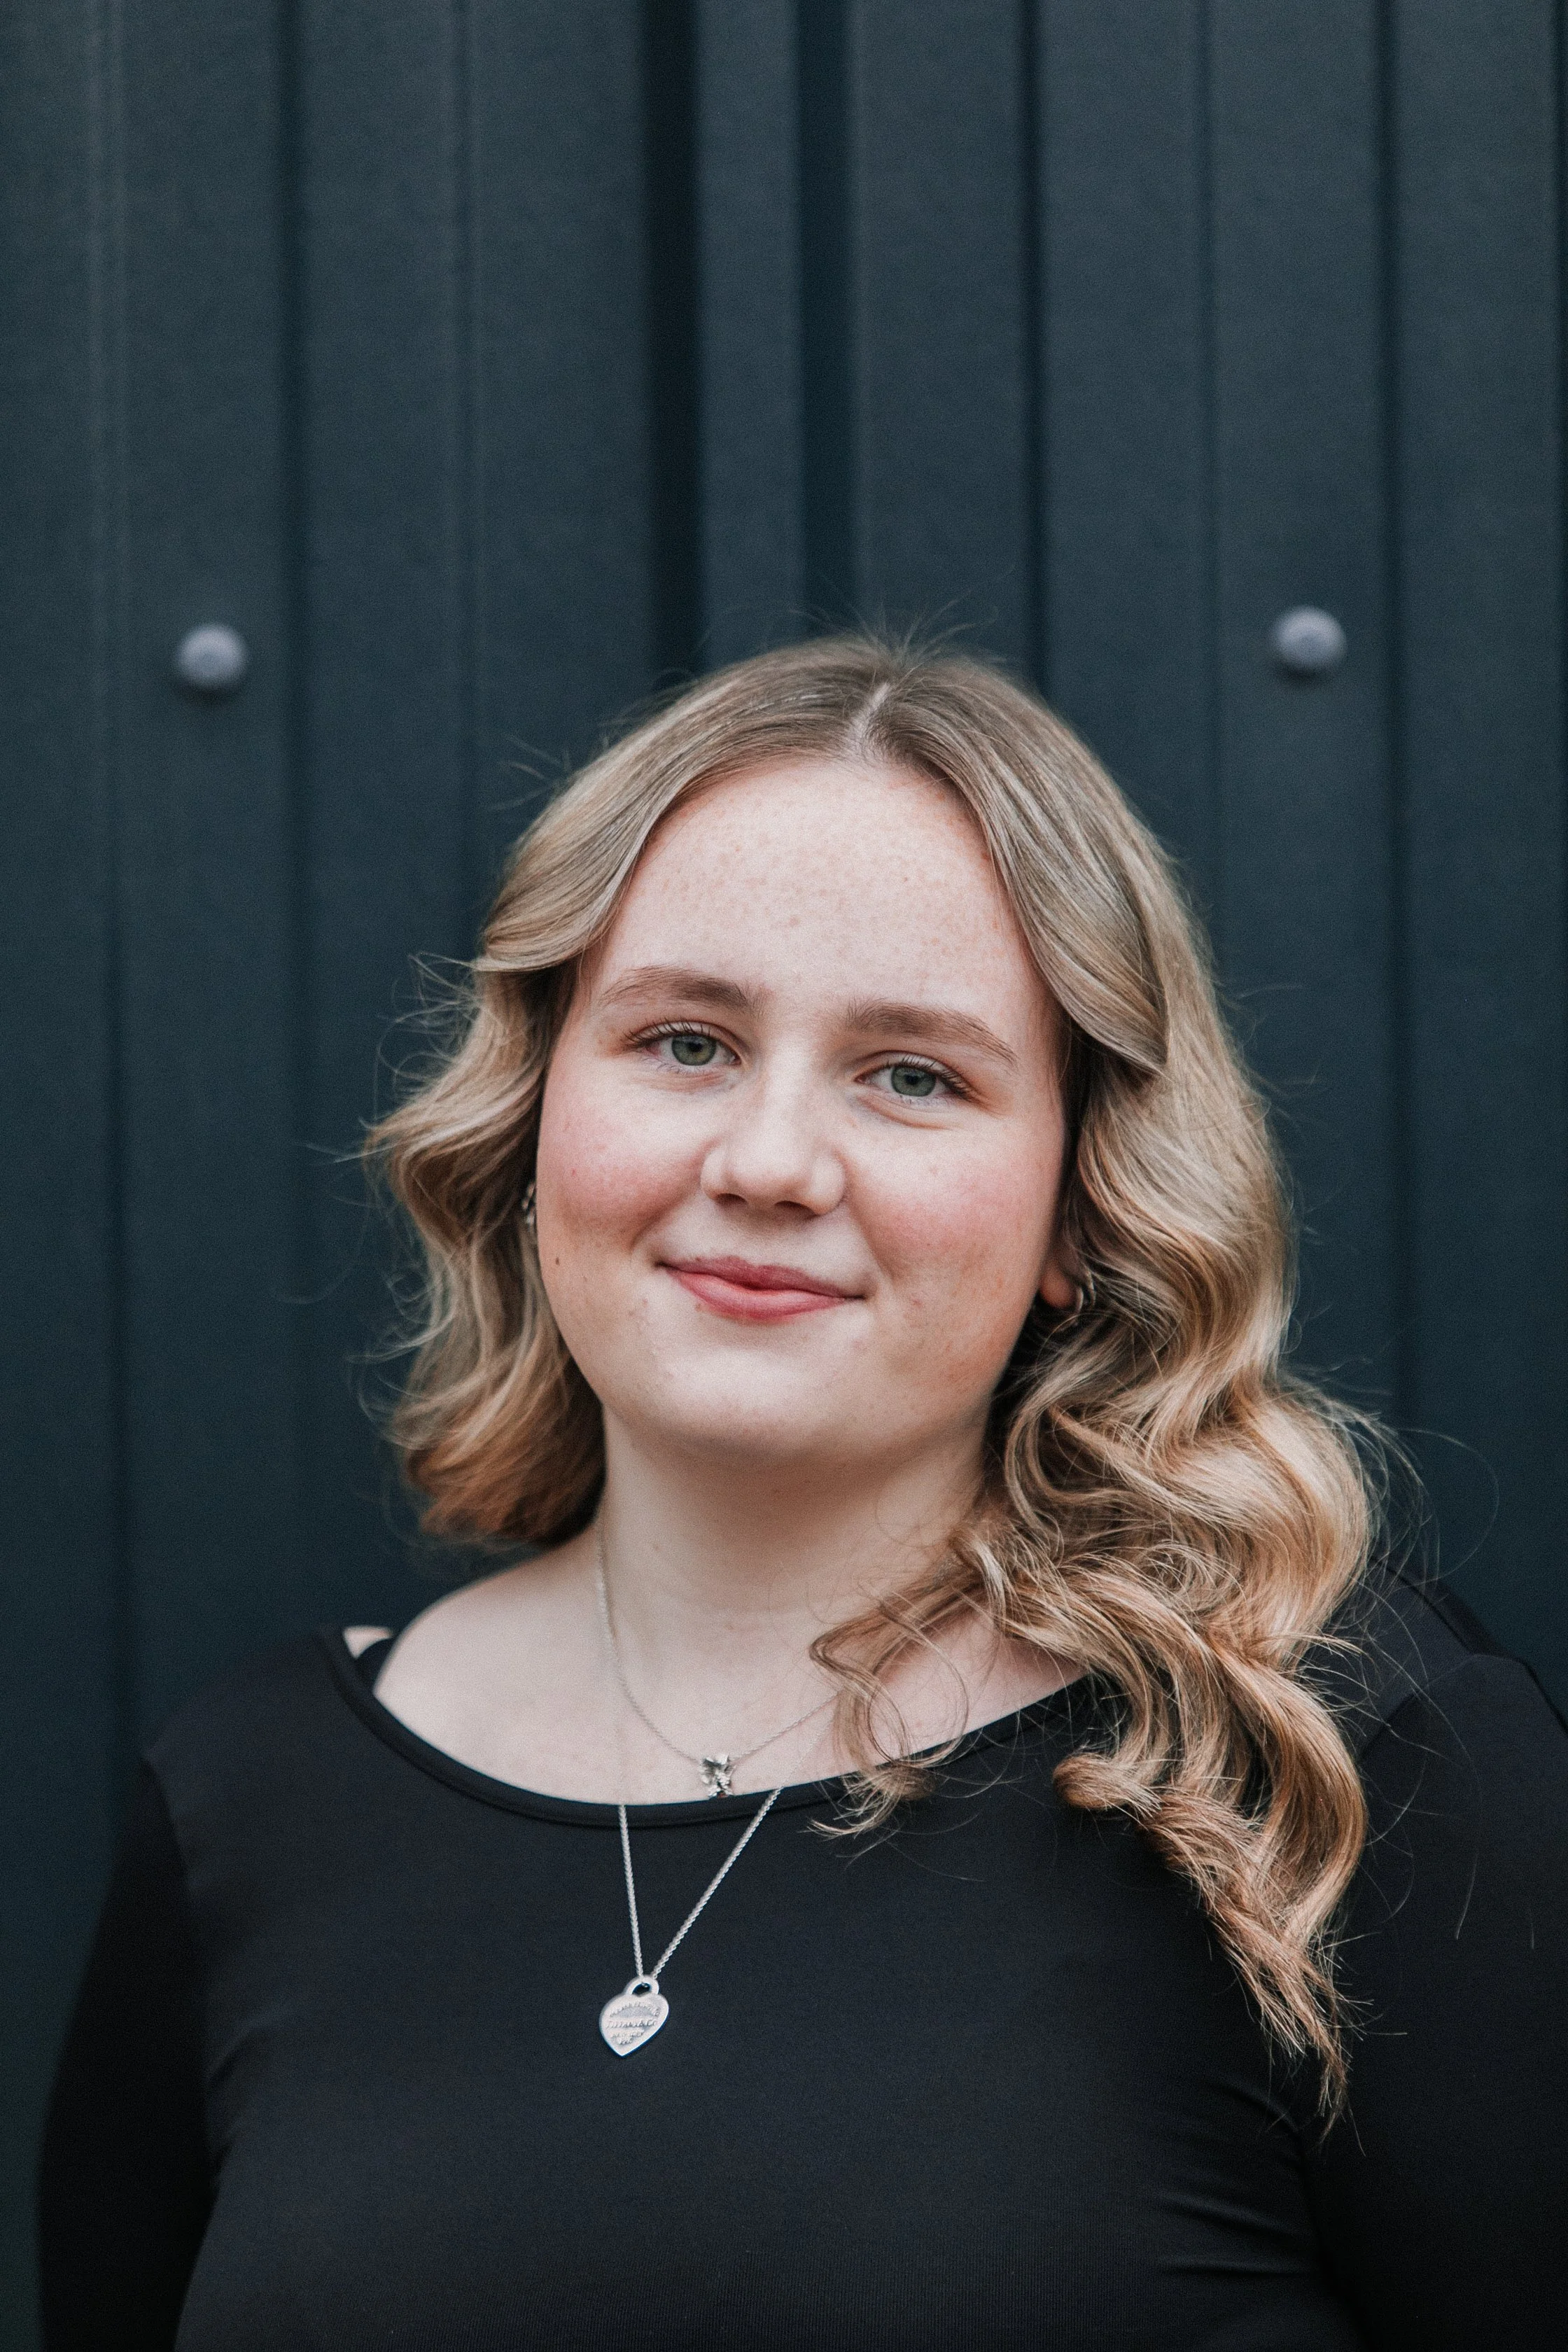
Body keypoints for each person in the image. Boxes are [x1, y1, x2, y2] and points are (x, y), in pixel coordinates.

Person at [39, 638, 1567, 2350]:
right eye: (684, 1041)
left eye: (913, 1074)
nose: (767, 1163)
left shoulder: (1333, 1770)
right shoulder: (245, 1800)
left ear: (1079, 1208)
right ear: (536, 1109)